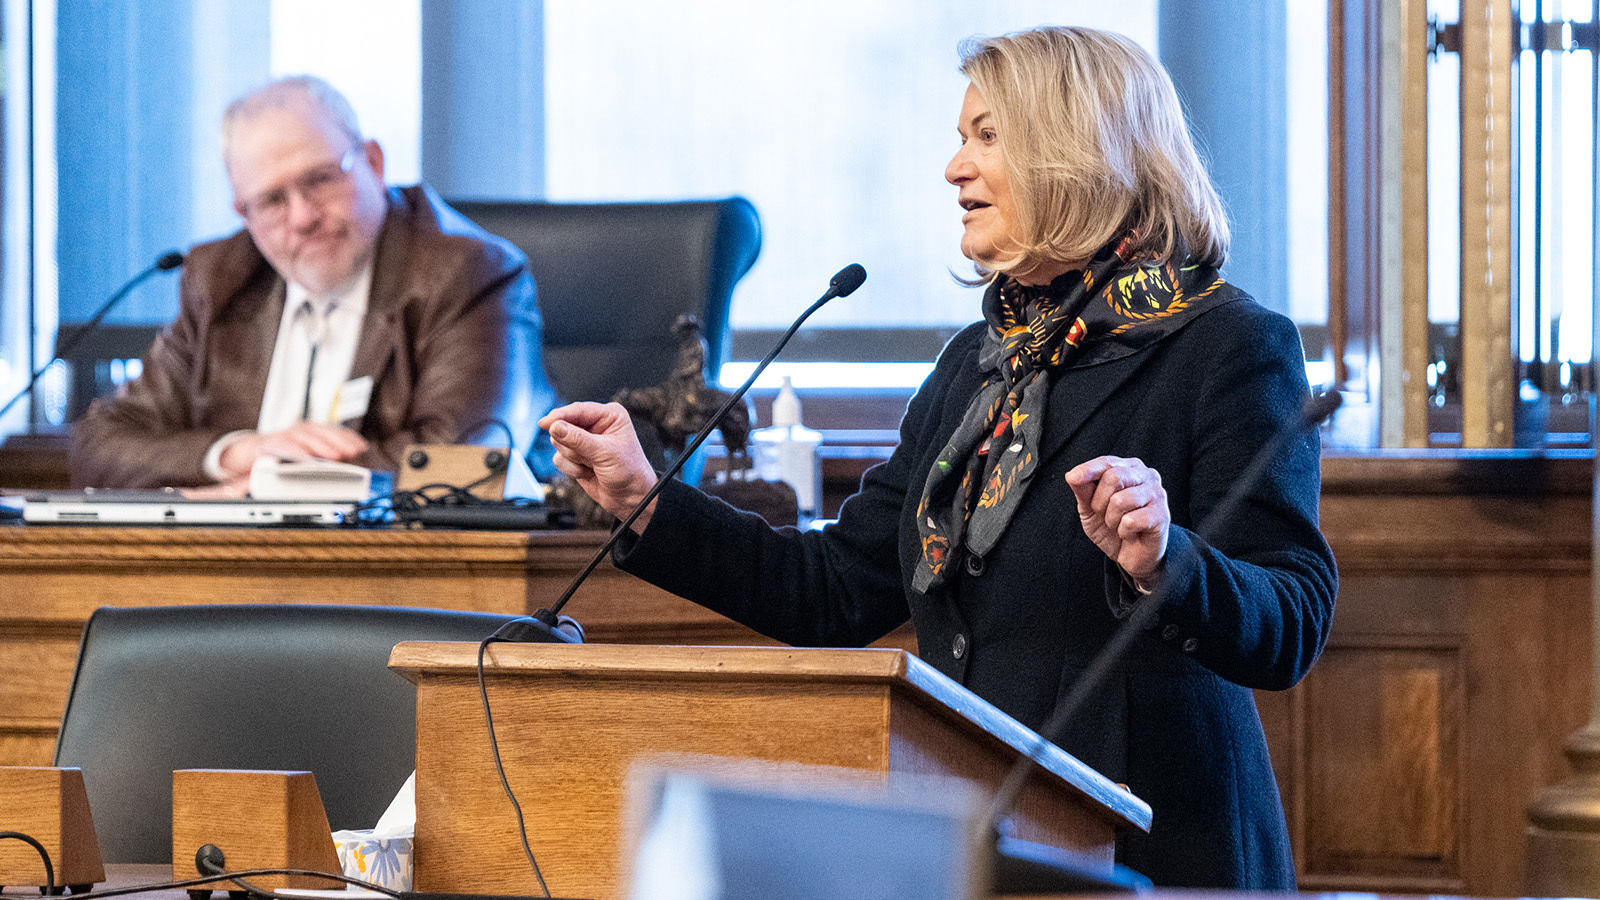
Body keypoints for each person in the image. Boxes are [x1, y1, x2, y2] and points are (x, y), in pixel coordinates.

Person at [539, 26, 1336, 890]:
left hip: (1156, 858)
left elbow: (1291, 618)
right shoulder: (976, 367)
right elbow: (835, 590)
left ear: (1076, 151)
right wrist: (647, 499)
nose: (955, 168)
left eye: (987, 136)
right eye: (962, 138)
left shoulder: (1229, 347)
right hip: (978, 841)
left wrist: (1164, 558)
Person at [70, 76, 558, 491]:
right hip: (227, 560)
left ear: (373, 163)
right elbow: (100, 445)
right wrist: (236, 453)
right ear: (243, 212)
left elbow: (467, 462)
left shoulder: (470, 272)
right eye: (272, 200)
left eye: (321, 180)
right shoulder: (220, 278)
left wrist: (272, 479)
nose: (302, 217)